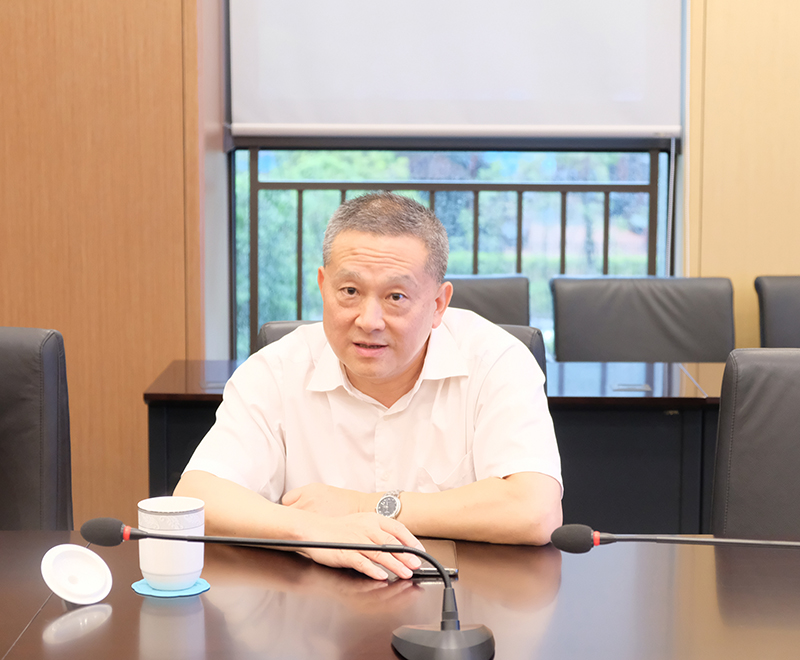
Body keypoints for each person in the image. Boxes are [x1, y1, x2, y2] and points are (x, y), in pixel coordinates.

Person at [175, 192, 562, 580]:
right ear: (323, 286)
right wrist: (314, 531)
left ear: (438, 304)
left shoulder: (496, 361)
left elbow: (535, 511)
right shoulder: (275, 370)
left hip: (460, 602)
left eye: (396, 296)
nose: (369, 320)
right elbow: (196, 497)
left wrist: (361, 505)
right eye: (350, 291)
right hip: (311, 604)